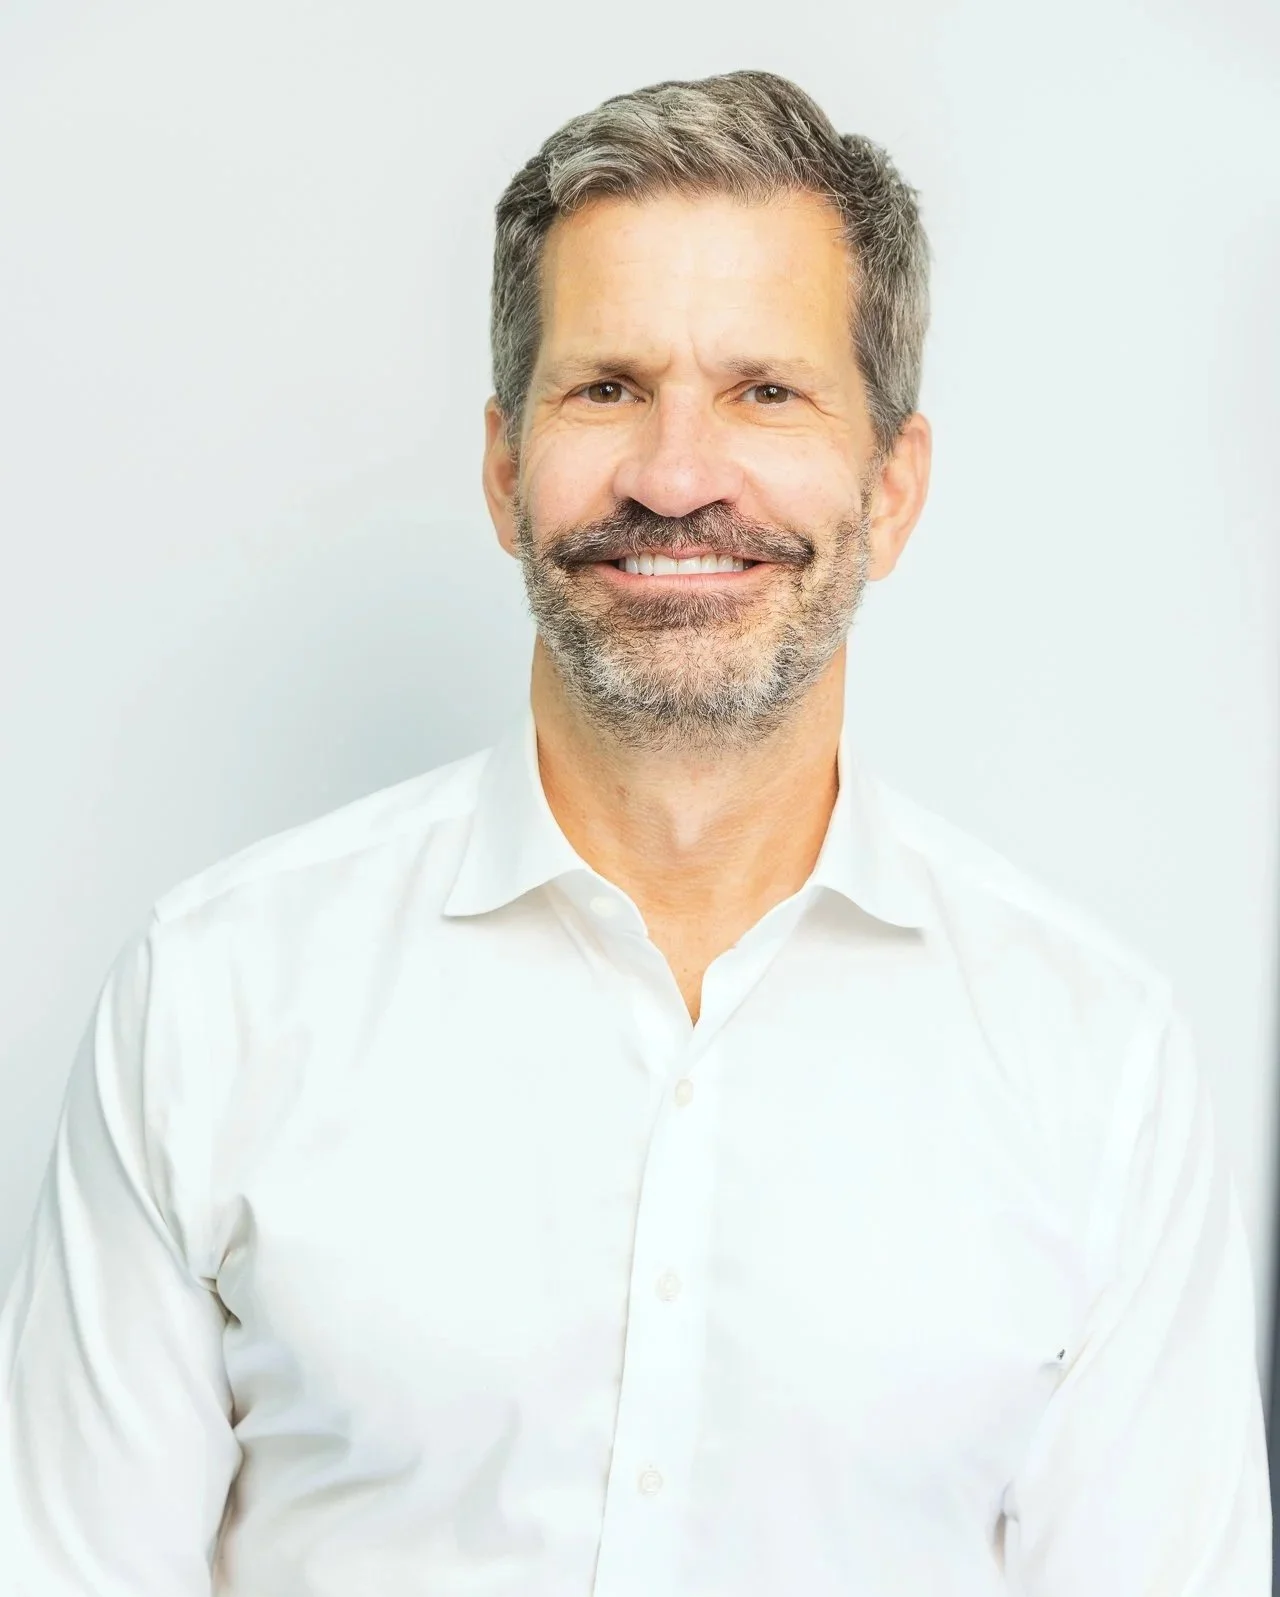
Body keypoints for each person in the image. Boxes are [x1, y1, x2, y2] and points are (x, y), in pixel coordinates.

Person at [0, 67, 1268, 1596]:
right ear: (503, 471)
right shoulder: (211, 1000)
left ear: (892, 489)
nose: (675, 477)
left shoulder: (1097, 1065)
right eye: (607, 388)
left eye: (765, 391)